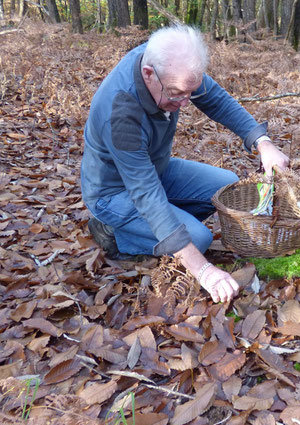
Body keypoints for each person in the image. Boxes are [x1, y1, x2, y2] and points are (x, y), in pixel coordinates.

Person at [80, 24, 289, 303]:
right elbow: (145, 194)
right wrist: (203, 270)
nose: (186, 103)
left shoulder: (168, 61)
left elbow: (216, 100)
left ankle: (164, 224)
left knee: (227, 187)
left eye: (190, 92)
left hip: (156, 169)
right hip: (114, 191)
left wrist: (263, 143)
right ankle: (114, 233)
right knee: (198, 240)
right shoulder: (121, 112)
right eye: (177, 94)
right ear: (148, 75)